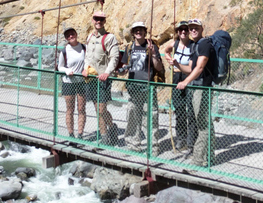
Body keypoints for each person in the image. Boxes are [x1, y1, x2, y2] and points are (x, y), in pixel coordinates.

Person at [174, 18, 215, 167]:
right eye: (191, 28)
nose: (192, 30)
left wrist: (185, 82)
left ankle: (198, 160)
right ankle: (209, 157)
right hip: (197, 87)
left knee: (202, 124)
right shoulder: (196, 45)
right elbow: (191, 69)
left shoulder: (203, 44)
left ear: (202, 28)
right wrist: (177, 65)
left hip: (202, 88)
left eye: (195, 27)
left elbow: (199, 68)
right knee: (205, 122)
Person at [123, 21, 164, 151]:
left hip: (148, 87)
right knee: (132, 115)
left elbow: (159, 67)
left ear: (145, 32)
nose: (138, 32)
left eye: (141, 30)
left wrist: (153, 55)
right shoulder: (129, 48)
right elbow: (125, 67)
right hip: (133, 87)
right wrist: (122, 70)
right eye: (136, 30)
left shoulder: (151, 46)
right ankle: (133, 144)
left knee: (151, 117)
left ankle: (153, 146)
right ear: (133, 33)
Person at [84, 10, 120, 145]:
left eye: (101, 19)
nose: (98, 21)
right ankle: (105, 138)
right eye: (96, 19)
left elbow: (114, 58)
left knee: (101, 109)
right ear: (93, 20)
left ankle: (112, 127)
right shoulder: (89, 37)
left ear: (105, 21)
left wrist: (107, 72)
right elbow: (88, 56)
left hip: (103, 78)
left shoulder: (110, 38)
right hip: (91, 79)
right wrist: (85, 68)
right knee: (97, 110)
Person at [163, 20, 196, 151]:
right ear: (177, 32)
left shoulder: (193, 45)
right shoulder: (175, 44)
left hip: (189, 77)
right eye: (181, 30)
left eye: (185, 30)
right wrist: (168, 58)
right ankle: (181, 139)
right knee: (180, 110)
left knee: (192, 110)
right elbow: (166, 50)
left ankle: (192, 141)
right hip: (176, 77)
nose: (183, 32)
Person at [57, 26, 87, 139]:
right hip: (68, 82)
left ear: (76, 34)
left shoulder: (84, 48)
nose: (71, 36)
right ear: (66, 38)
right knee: (70, 109)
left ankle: (80, 134)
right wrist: (67, 70)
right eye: (68, 35)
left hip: (81, 82)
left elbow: (90, 61)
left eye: (72, 33)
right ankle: (71, 134)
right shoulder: (64, 51)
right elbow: (60, 67)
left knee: (81, 109)